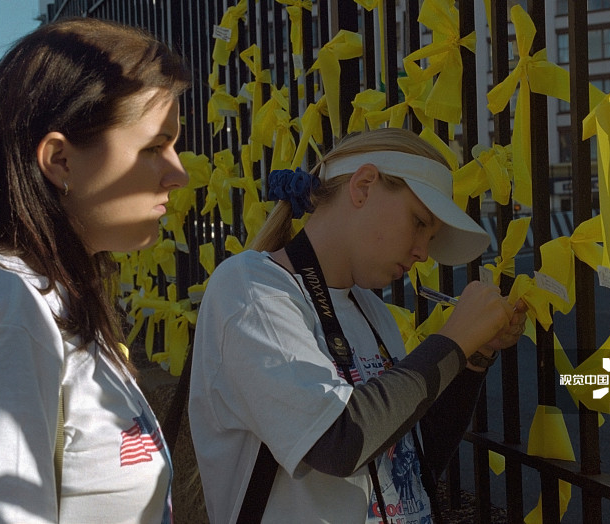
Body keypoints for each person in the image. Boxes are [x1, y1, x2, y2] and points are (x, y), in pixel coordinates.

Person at [188, 127, 529, 523]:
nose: (422, 252)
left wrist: (473, 356)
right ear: (363, 186)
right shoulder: (251, 289)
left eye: (431, 237)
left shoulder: (369, 307)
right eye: (419, 222)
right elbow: (338, 442)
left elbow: (413, 458)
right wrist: (453, 339)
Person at [0, 17, 191, 523]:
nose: (179, 172)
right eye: (152, 147)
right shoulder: (10, 309)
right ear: (59, 160)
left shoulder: (58, 298)